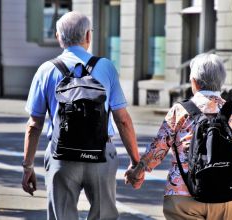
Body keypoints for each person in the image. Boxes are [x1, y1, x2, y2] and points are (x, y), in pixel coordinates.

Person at [21, 11, 141, 220]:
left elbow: (34, 125)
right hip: (101, 154)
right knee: (104, 215)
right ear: (88, 36)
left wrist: (28, 166)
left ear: (58, 37)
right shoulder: (106, 67)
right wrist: (135, 161)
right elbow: (122, 119)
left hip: (62, 157)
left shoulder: (45, 70)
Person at [125, 53, 232, 220]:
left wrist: (137, 172)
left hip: (183, 196)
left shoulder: (179, 111)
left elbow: (157, 149)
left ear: (195, 81)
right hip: (227, 198)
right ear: (221, 81)